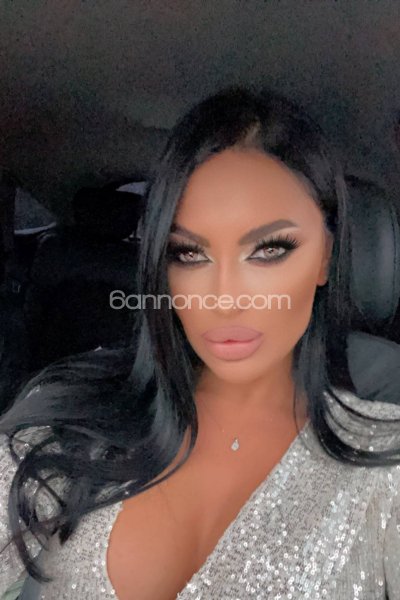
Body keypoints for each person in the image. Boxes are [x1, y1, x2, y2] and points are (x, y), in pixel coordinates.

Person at [0, 84, 400, 600]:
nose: (224, 298)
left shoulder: (384, 463)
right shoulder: (74, 417)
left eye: (269, 249)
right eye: (189, 254)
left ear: (326, 255)